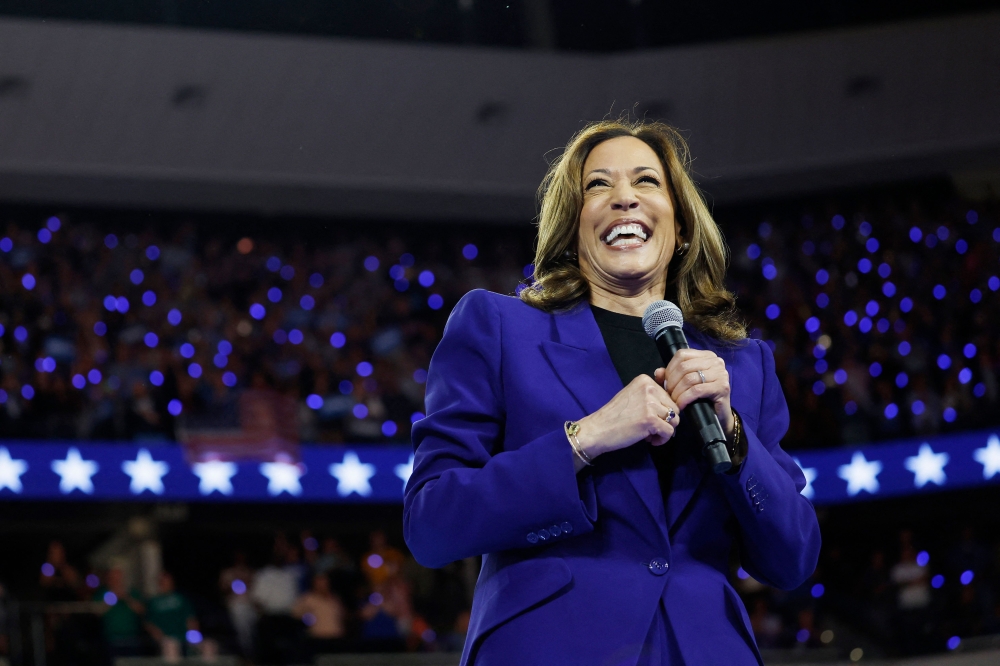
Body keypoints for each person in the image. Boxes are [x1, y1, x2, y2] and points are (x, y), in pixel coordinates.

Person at [403, 119, 821, 665]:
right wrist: (586, 437)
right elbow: (432, 524)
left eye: (646, 181)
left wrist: (737, 438)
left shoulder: (744, 365)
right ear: (572, 231)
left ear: (682, 225)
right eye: (598, 185)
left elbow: (793, 558)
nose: (624, 198)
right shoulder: (499, 327)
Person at [145, 571, 198, 657]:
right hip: (165, 640)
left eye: (166, 581)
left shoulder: (181, 599)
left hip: (183, 638)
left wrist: (193, 637)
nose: (164, 583)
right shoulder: (153, 602)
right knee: (170, 646)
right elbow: (148, 623)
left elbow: (191, 619)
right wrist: (160, 638)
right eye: (162, 581)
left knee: (208, 646)